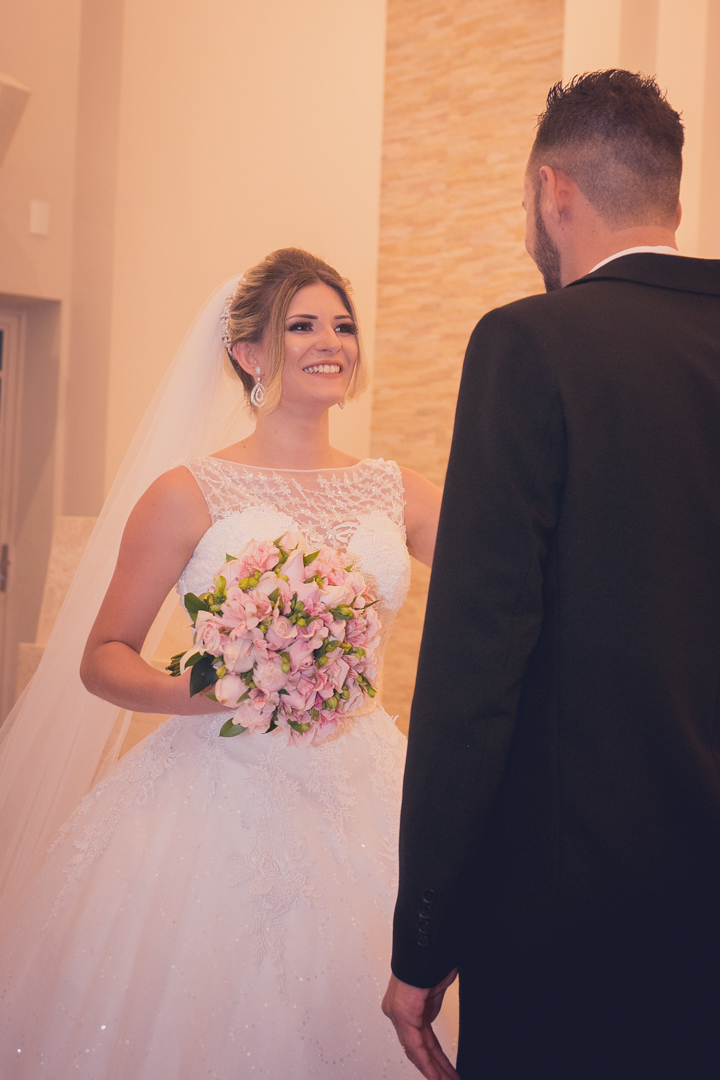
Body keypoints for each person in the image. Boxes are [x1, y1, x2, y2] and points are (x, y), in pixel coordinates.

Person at [0, 247, 447, 1078]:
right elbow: (102, 656)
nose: (331, 342)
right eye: (302, 325)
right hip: (219, 788)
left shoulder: (399, 491)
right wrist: (207, 689)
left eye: (343, 325)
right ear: (248, 352)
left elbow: (501, 589)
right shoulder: (186, 493)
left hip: (368, 782)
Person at [383, 70, 720, 1079]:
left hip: (574, 918)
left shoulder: (529, 343)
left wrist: (425, 935)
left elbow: (475, 665)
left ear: (552, 191)